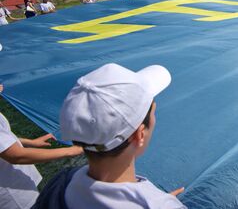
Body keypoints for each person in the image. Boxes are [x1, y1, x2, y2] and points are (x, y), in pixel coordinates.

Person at [32, 64, 187, 208]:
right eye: (152, 111)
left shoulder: (61, 182)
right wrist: (158, 202)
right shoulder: (160, 205)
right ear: (139, 135)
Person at [0, 84, 83, 209]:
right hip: (13, 194)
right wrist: (72, 150)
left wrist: (30, 142)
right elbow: (16, 156)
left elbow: (3, 138)